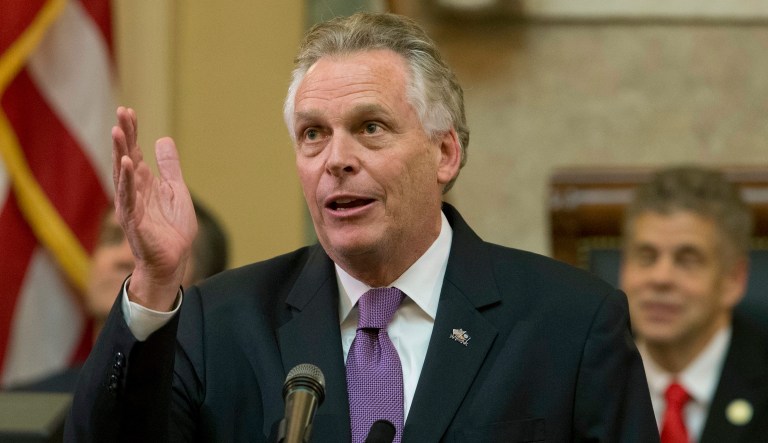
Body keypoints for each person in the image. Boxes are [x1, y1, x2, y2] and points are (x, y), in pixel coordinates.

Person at [66, 12, 657, 442]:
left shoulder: (572, 323)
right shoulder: (215, 323)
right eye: (313, 134)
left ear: (445, 153)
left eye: (370, 127)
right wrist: (153, 283)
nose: (335, 159)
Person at [13, 198, 228, 393]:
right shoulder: (19, 405)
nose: (124, 257)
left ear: (204, 286)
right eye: (113, 238)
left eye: (153, 246)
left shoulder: (226, 405)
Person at [620, 166, 768, 443]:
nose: (660, 278)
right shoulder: (585, 380)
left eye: (688, 260)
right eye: (646, 256)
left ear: (733, 280)